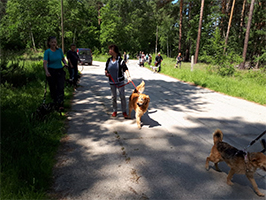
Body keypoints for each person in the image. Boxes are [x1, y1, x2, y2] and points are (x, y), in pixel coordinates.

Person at [105, 44, 131, 118]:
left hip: (120, 81)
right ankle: (114, 110)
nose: (109, 51)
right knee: (114, 97)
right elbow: (106, 69)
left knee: (122, 96)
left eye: (111, 49)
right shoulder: (108, 60)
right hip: (112, 82)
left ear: (114, 51)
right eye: (109, 49)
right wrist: (106, 73)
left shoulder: (120, 60)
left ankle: (124, 111)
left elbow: (125, 69)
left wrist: (128, 77)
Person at [43, 36, 68, 112]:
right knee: (53, 88)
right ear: (49, 43)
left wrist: (65, 64)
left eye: (55, 42)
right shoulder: (47, 52)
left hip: (60, 71)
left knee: (60, 87)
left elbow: (63, 59)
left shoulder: (59, 50)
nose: (54, 43)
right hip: (51, 71)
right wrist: (46, 71)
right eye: (52, 42)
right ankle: (55, 103)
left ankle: (60, 104)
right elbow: (45, 62)